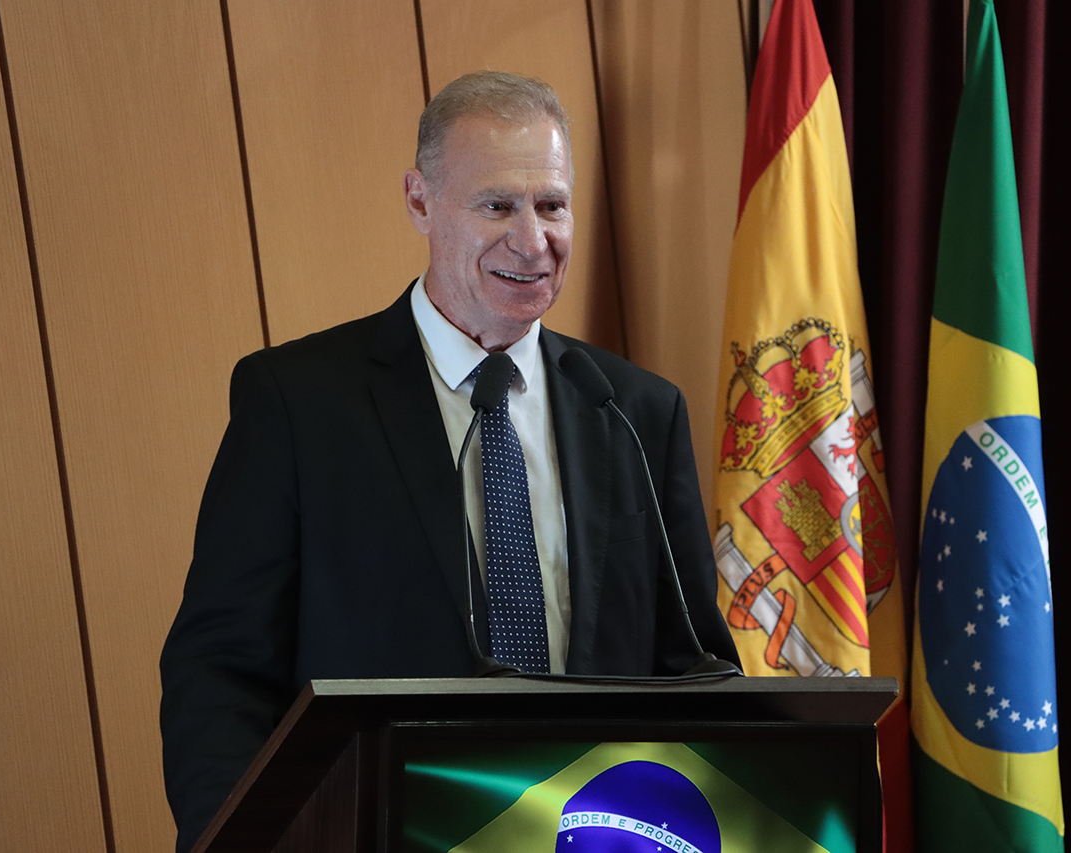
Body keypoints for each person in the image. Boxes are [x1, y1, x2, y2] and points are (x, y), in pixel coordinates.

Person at [159, 71, 739, 852]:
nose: (533, 241)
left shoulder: (637, 413)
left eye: (552, 204)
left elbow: (693, 668)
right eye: (497, 204)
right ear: (420, 201)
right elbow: (219, 670)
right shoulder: (298, 404)